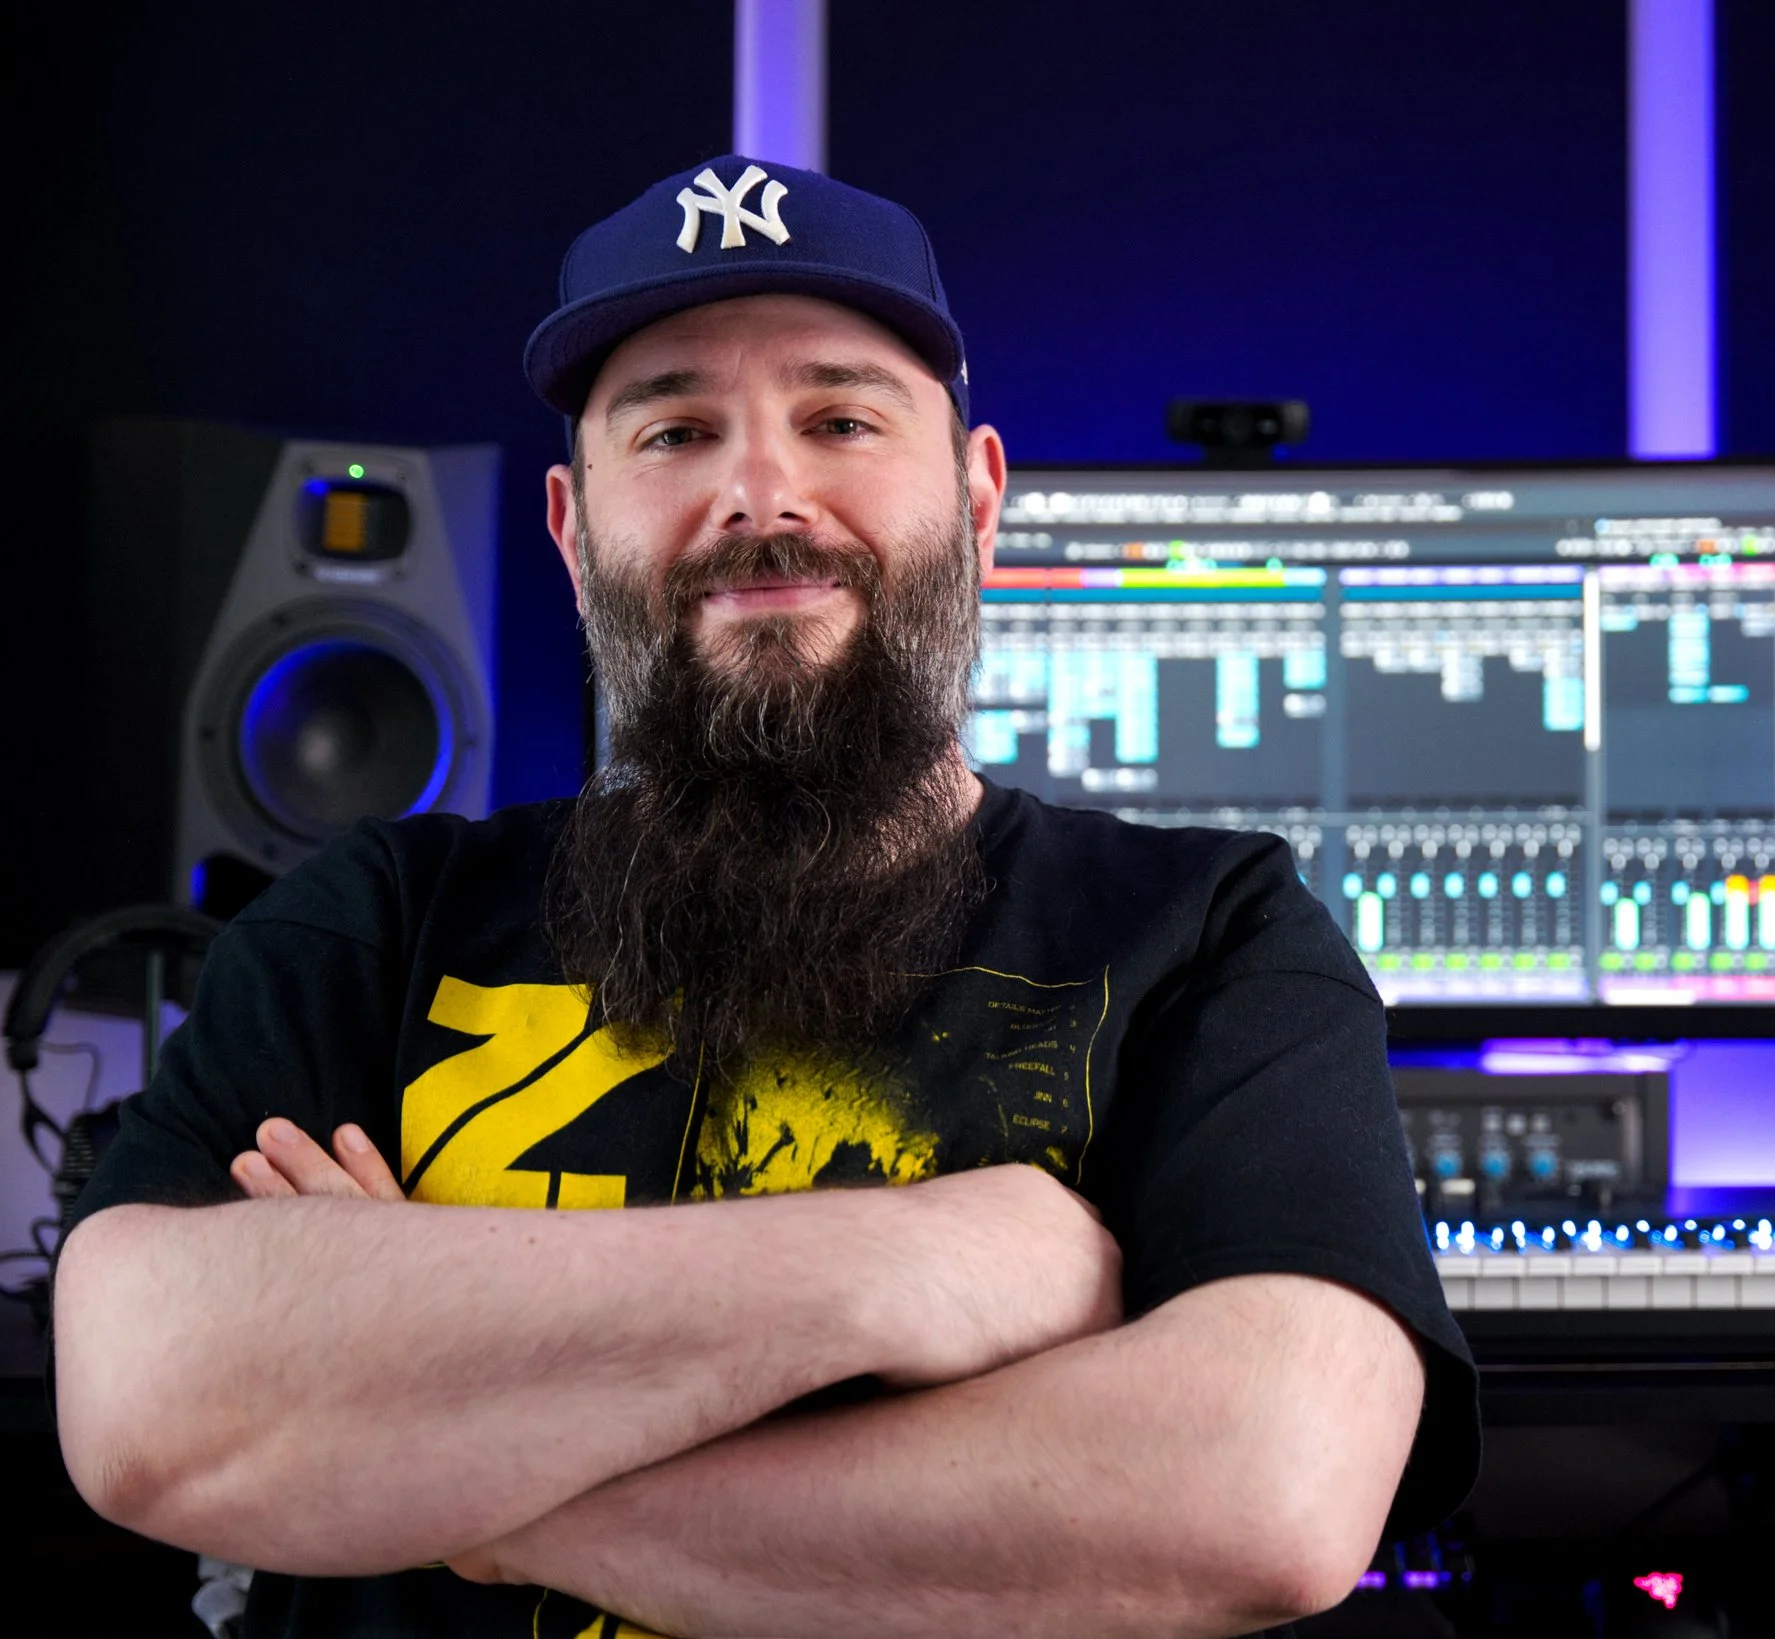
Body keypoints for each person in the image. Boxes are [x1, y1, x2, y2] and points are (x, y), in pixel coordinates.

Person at [51, 157, 1476, 1639]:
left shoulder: (1212, 933)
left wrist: (435, 1467)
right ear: (571, 531)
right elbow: (146, 1402)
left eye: (840, 420)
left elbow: (1268, 1495)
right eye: (674, 431)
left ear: (978, 498)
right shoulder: (376, 922)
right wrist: (919, 1262)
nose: (760, 494)